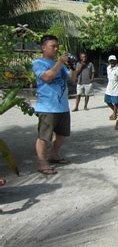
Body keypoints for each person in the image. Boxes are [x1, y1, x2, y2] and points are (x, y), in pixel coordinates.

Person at [32, 35, 79, 175]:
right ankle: (42, 162)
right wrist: (59, 63)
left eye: (57, 46)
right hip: (47, 106)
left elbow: (72, 79)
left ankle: (54, 154)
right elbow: (47, 77)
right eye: (53, 46)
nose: (56, 49)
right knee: (44, 136)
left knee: (62, 134)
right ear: (43, 47)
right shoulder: (38, 63)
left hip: (62, 106)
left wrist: (74, 67)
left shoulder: (61, 65)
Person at [104, 55, 118, 120]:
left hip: (116, 88)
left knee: (116, 102)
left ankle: (115, 114)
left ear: (116, 61)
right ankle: (115, 112)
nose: (112, 62)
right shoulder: (108, 68)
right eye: (111, 61)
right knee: (107, 101)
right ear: (109, 61)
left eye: (113, 61)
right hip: (109, 87)